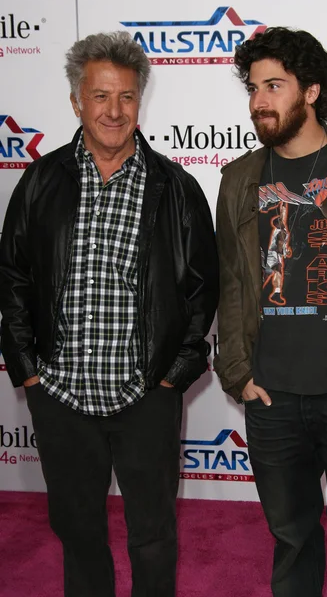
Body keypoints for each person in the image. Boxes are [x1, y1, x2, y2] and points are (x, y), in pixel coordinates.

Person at [0, 31, 218, 597]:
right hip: (62, 395)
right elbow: (13, 278)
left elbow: (203, 291)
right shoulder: (40, 181)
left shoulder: (175, 187)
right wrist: (27, 367)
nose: (113, 111)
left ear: (139, 101)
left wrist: (174, 376)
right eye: (100, 96)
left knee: (152, 535)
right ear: (77, 100)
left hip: (145, 395)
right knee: (79, 532)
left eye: (125, 96)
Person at [214, 26, 327, 597]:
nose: (259, 101)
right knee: (292, 545)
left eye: (274, 85)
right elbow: (232, 285)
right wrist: (238, 373)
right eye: (252, 88)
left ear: (312, 90)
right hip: (270, 401)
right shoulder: (240, 179)